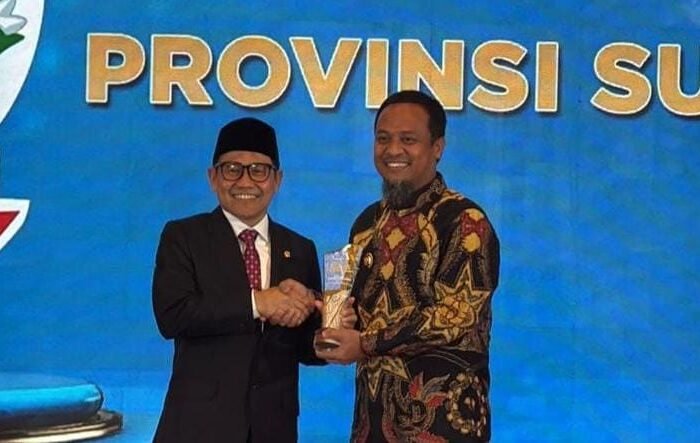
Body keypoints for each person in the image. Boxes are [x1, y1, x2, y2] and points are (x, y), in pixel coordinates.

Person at [152, 117, 355, 443]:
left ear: (277, 180)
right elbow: (173, 315)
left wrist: (328, 335)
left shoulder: (299, 248)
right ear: (213, 178)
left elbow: (302, 346)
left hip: (273, 428)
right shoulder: (184, 236)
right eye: (232, 169)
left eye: (259, 170)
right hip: (197, 427)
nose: (245, 181)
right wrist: (259, 302)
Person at [316, 90, 500, 442]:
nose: (393, 150)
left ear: (437, 148)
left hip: (443, 425)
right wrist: (331, 324)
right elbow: (343, 303)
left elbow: (455, 316)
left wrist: (364, 342)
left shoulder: (465, 221)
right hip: (370, 427)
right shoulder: (366, 224)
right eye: (383, 139)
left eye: (408, 140)